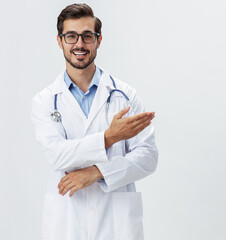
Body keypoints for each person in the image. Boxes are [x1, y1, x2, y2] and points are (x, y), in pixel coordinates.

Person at [31, 3, 158, 240]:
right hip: (67, 220)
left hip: (116, 221)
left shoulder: (125, 95)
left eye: (87, 36)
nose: (79, 44)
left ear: (98, 41)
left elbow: (149, 156)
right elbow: (57, 155)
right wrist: (110, 137)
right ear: (60, 41)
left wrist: (99, 171)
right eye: (71, 36)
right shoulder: (45, 101)